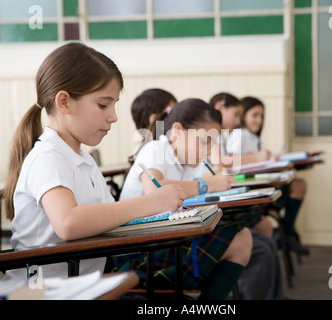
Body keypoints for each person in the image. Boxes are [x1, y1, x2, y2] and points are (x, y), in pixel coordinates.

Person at [2, 42, 186, 280]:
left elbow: (111, 220)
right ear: (64, 102)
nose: (114, 116)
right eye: (103, 105)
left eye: (114, 105)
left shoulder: (82, 158)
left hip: (81, 284)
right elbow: (68, 223)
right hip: (42, 293)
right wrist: (150, 202)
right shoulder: (48, 157)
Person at [116, 98, 252, 300]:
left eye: (212, 143)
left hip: (168, 238)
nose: (208, 150)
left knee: (241, 234)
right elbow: (154, 190)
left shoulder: (186, 162)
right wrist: (204, 184)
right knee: (240, 239)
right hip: (140, 249)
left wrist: (211, 164)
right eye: (205, 141)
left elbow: (208, 180)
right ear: (177, 131)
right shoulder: (156, 149)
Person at [207, 92, 285, 300]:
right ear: (219, 107)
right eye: (236, 114)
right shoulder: (210, 140)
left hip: (223, 203)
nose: (238, 120)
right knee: (261, 239)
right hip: (216, 213)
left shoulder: (219, 138)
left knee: (265, 240)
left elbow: (224, 169)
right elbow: (223, 166)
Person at [228, 96, 310, 256]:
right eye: (255, 115)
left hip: (264, 184)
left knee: (299, 184)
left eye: (262, 116)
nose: (259, 120)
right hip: (254, 189)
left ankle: (287, 233)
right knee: (298, 185)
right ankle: (286, 235)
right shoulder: (239, 134)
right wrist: (257, 157)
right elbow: (231, 162)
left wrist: (271, 159)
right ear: (243, 115)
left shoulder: (254, 137)